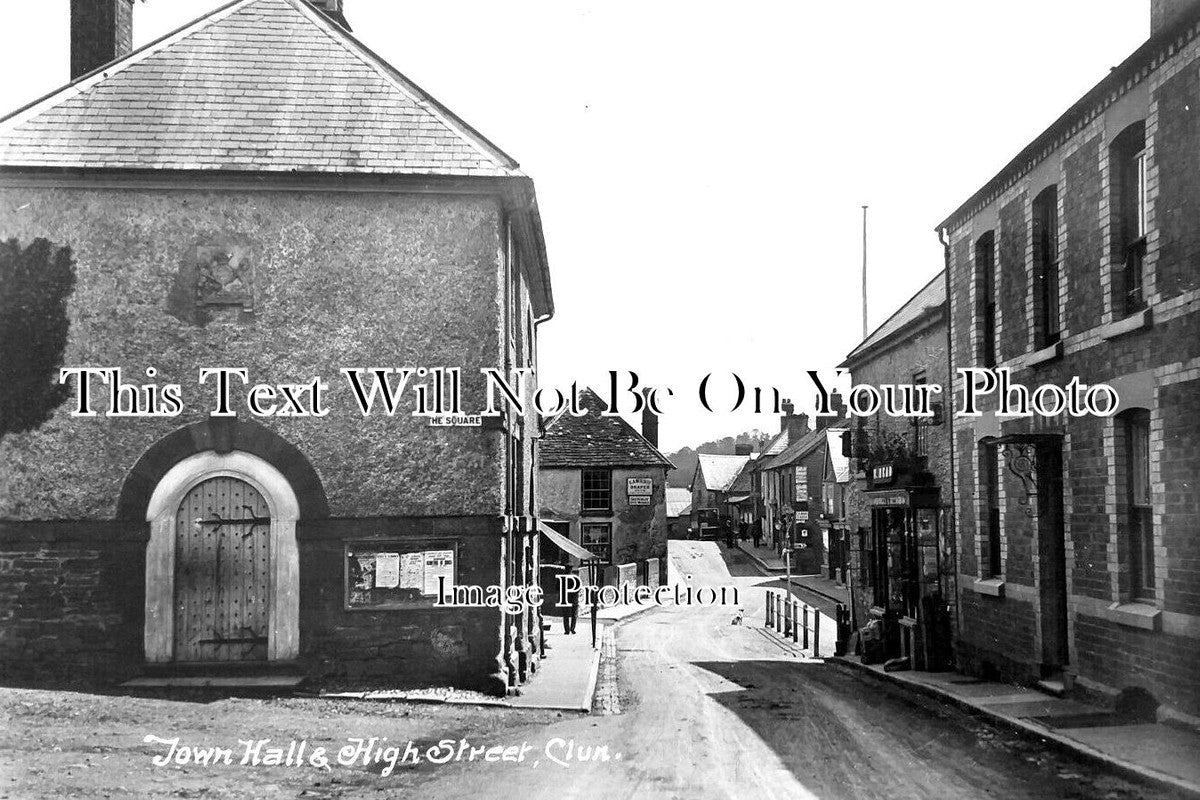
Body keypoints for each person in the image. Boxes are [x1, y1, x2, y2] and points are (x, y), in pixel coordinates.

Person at [562, 566, 579, 635]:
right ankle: (572, 629)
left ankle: (567, 630)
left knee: (566, 615)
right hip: (574, 598)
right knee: (574, 614)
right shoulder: (575, 578)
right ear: (571, 570)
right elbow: (578, 589)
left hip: (565, 598)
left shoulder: (562, 578)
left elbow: (557, 588)